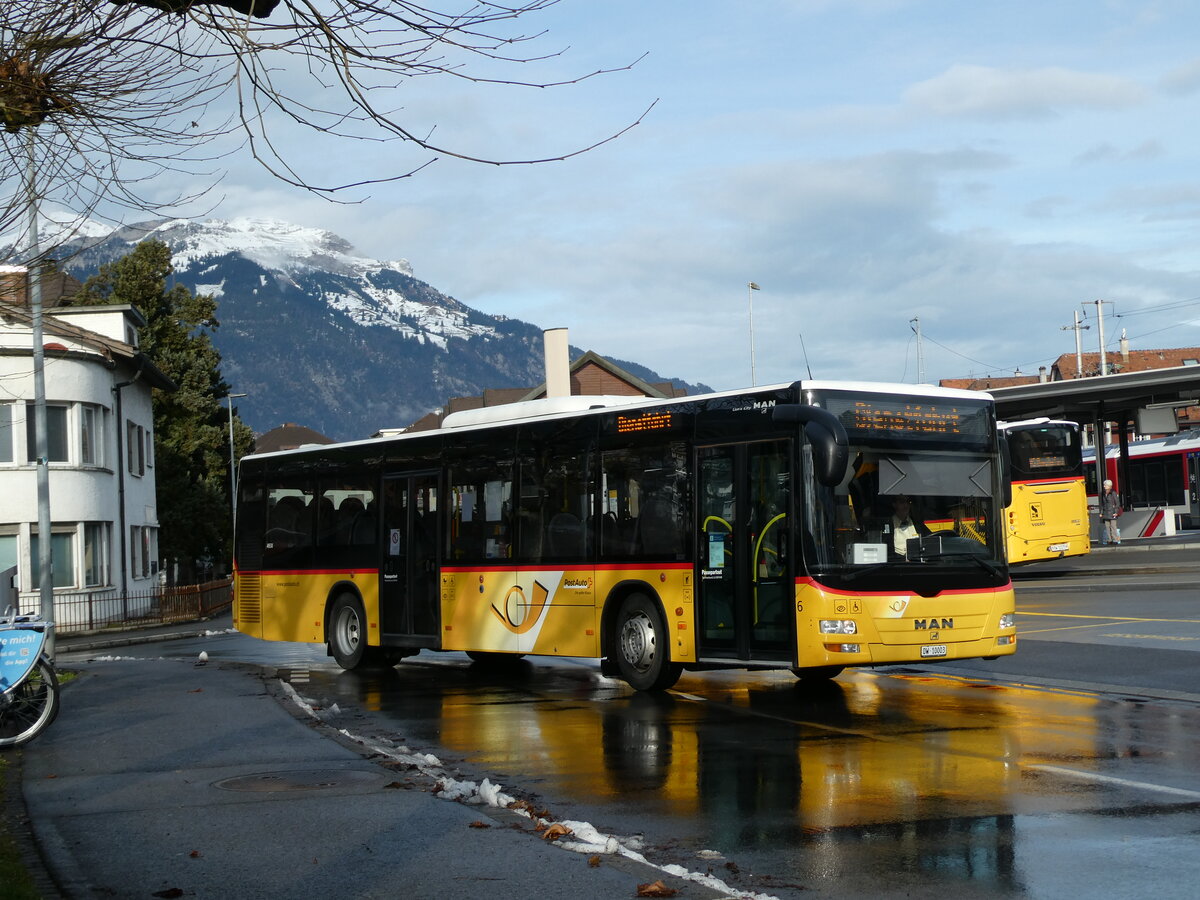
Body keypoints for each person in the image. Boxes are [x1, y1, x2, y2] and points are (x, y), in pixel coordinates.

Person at [1099, 479, 1122, 545]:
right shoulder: (1103, 493)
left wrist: (1116, 512)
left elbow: (1117, 503)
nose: (1104, 486)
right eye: (1104, 485)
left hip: (1112, 512)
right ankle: (1110, 539)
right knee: (1107, 527)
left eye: (1105, 485)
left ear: (1109, 486)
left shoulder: (1113, 493)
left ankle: (1115, 539)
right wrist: (1101, 512)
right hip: (1106, 512)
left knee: (1113, 527)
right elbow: (1103, 504)